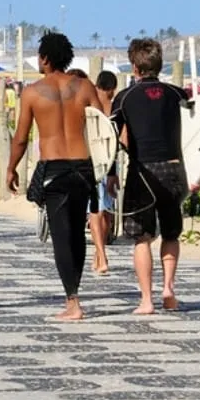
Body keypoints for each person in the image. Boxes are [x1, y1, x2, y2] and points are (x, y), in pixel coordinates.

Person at [7, 32, 103, 321]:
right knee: (77, 232)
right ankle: (74, 293)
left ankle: (73, 302)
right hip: (83, 167)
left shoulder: (33, 92)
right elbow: (101, 129)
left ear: (45, 58)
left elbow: (21, 138)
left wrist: (11, 167)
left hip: (55, 169)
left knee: (62, 236)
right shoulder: (85, 86)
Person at [107, 38, 191, 314]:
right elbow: (196, 131)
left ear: (134, 67)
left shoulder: (125, 97)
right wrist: (196, 171)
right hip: (175, 169)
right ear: (160, 64)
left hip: (142, 171)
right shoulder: (177, 93)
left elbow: (108, 138)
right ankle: (169, 288)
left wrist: (109, 173)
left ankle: (146, 300)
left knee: (142, 237)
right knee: (171, 232)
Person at [91, 70, 119, 274]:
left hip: (96, 162)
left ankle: (100, 254)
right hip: (108, 163)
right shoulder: (113, 106)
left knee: (98, 212)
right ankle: (100, 255)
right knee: (104, 211)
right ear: (112, 89)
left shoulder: (91, 103)